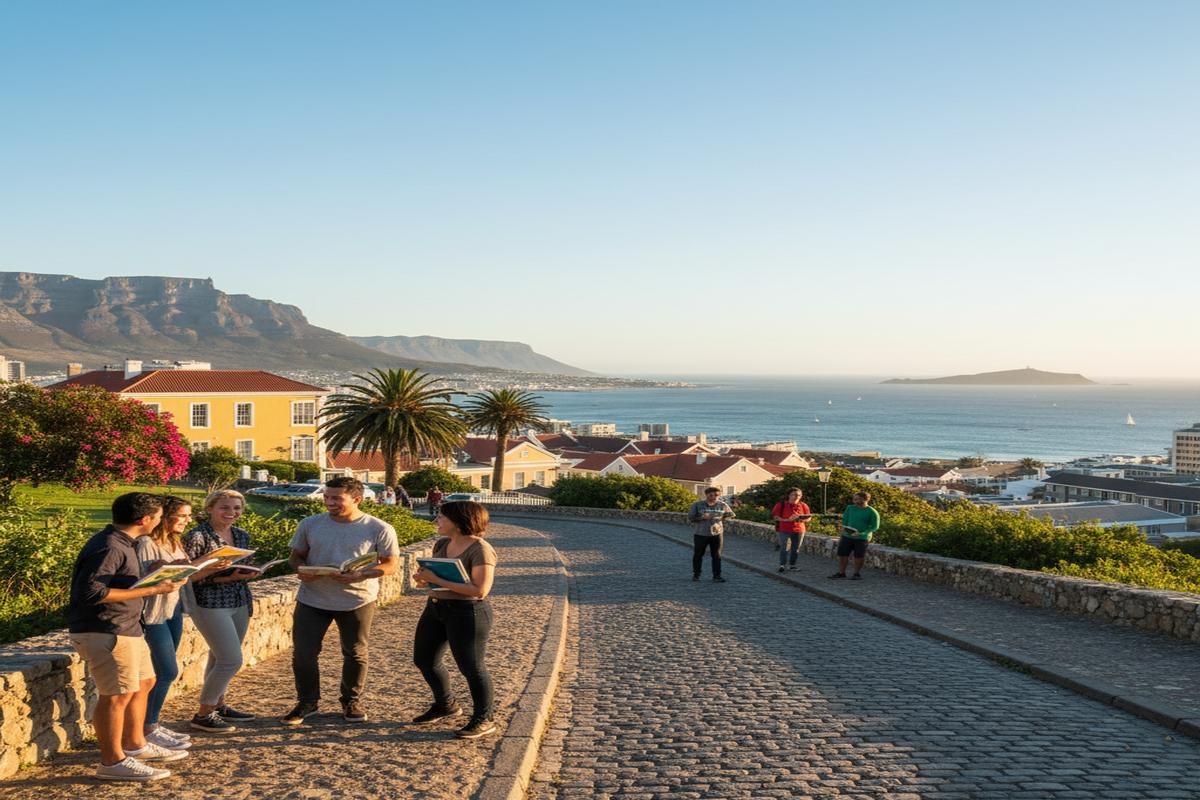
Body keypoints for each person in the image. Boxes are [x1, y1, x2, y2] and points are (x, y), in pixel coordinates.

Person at [67, 492, 190, 781]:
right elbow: (91, 593)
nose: (161, 521)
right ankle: (112, 762)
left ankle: (135, 745)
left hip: (128, 626)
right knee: (116, 695)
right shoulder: (110, 546)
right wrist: (151, 590)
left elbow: (120, 579)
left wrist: (152, 572)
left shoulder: (125, 543)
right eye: (159, 516)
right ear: (144, 519)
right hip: (106, 629)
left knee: (145, 682)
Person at [283, 476, 400, 725]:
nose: (329, 502)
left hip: (357, 600)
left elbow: (390, 565)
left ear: (356, 499)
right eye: (327, 497)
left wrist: (363, 574)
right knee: (303, 653)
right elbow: (295, 557)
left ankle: (351, 702)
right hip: (312, 598)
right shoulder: (310, 524)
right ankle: (307, 702)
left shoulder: (379, 528)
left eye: (336, 498)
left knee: (355, 652)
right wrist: (301, 569)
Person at [136, 496, 232, 750]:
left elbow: (185, 575)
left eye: (189, 515)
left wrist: (208, 567)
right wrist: (200, 563)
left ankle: (151, 724)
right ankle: (146, 728)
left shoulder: (174, 542)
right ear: (165, 516)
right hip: (153, 614)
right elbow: (146, 581)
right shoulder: (147, 543)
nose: (188, 520)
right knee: (165, 671)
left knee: (162, 672)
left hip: (173, 610)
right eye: (183, 515)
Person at [412, 500, 498, 739]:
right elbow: (433, 580)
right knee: (424, 660)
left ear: (459, 522)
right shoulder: (442, 543)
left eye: (441, 517)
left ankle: (484, 717)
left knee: (472, 667)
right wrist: (424, 580)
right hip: (436, 608)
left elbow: (480, 590)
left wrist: (437, 581)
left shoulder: (480, 549)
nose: (436, 520)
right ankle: (445, 704)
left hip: (467, 612)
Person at [183, 490, 261, 733]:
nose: (231, 513)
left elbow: (239, 568)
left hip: (239, 600)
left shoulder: (241, 535)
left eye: (236, 508)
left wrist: (247, 573)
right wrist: (216, 571)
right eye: (225, 508)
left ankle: (218, 704)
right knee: (231, 659)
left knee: (218, 658)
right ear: (209, 509)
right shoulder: (197, 536)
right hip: (210, 603)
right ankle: (203, 713)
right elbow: (187, 577)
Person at [830, 491, 881, 581]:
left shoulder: (872, 512)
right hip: (847, 536)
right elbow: (845, 519)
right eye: (854, 498)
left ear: (865, 499)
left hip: (862, 538)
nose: (854, 500)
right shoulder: (850, 508)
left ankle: (856, 574)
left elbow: (875, 527)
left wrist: (863, 533)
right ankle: (841, 573)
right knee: (843, 554)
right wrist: (843, 528)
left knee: (859, 556)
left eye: (857, 499)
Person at [688, 487, 735, 582]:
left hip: (717, 533)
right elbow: (691, 518)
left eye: (716, 495)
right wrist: (702, 518)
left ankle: (717, 576)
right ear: (706, 495)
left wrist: (721, 519)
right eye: (711, 495)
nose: (714, 497)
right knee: (698, 555)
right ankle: (696, 575)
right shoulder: (697, 505)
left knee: (717, 555)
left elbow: (731, 515)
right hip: (701, 533)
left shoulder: (722, 505)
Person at [771, 488, 811, 572]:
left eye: (799, 495)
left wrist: (801, 519)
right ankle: (782, 565)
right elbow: (775, 517)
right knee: (784, 547)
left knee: (796, 548)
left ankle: (792, 565)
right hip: (784, 529)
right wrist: (787, 520)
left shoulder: (803, 505)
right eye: (794, 494)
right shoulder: (781, 505)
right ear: (789, 495)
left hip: (799, 530)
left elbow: (808, 518)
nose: (797, 497)